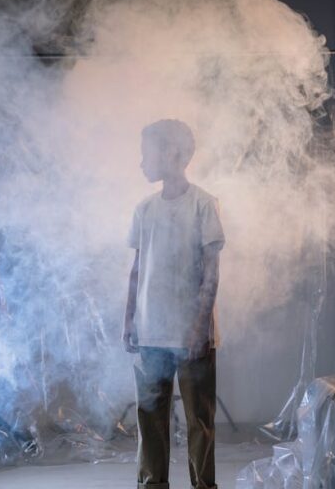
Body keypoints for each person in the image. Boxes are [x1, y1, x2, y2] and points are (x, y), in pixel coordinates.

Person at [124, 119, 225, 489]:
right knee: (149, 416)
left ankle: (203, 485)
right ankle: (152, 485)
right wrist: (129, 320)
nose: (142, 161)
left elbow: (211, 273)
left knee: (199, 419)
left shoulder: (203, 205)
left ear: (171, 154)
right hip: (151, 330)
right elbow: (137, 269)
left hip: (191, 333)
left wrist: (200, 328)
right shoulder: (144, 209)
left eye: (146, 152)